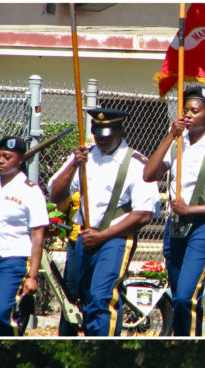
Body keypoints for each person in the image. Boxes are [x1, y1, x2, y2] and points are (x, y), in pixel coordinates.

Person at [48, 108, 161, 336]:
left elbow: (144, 214)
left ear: (121, 131)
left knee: (101, 297)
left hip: (115, 239)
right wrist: (73, 165)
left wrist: (102, 236)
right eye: (98, 134)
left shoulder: (136, 163)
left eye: (108, 135)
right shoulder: (84, 156)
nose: (102, 140)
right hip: (82, 237)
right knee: (73, 301)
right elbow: (56, 195)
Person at [143, 86, 205, 337]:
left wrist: (191, 209)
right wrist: (170, 136)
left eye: (195, 111)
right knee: (180, 297)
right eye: (185, 110)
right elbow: (149, 174)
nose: (188, 115)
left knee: (186, 296)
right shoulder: (179, 145)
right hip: (175, 227)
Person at [0, 135, 49, 336]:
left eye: (7, 156)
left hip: (12, 257)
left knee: (0, 313)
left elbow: (38, 235)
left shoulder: (30, 191)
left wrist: (33, 276)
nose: (1, 161)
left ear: (20, 160)